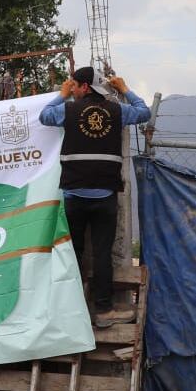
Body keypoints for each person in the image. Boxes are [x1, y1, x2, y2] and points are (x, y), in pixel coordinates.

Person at [40, 67, 151, 327]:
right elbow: (144, 112)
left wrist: (61, 94)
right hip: (105, 196)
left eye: (74, 85)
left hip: (74, 195)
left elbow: (44, 116)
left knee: (73, 253)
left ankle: (72, 312)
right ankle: (103, 312)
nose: (72, 90)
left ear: (85, 87)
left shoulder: (67, 110)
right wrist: (124, 89)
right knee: (102, 254)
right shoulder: (117, 110)